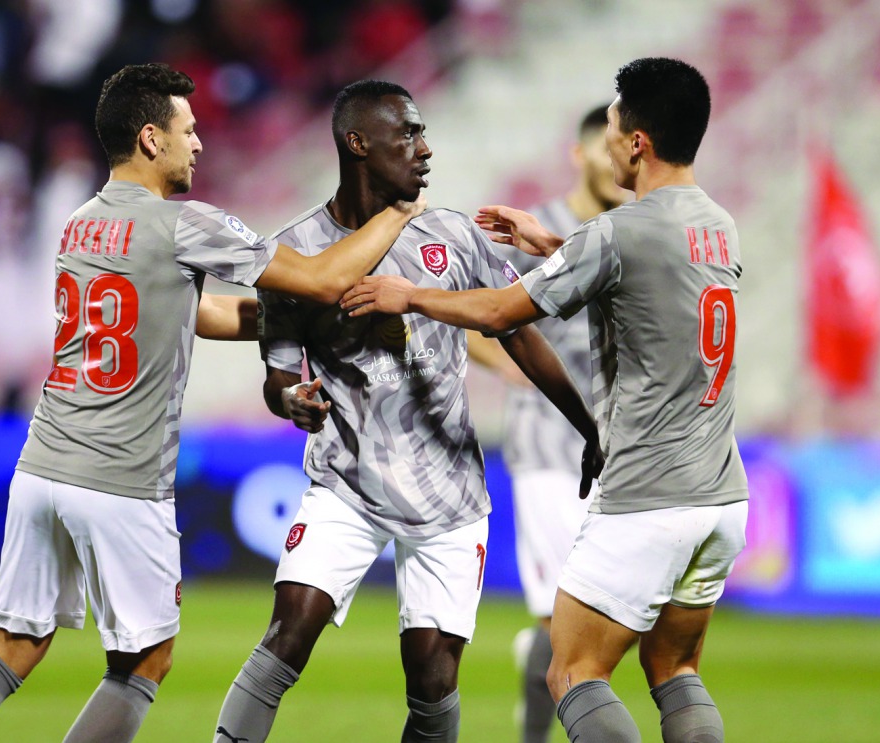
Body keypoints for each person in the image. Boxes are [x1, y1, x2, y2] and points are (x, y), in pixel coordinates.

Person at [0, 63, 425, 743]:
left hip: (42, 464)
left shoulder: (79, 225)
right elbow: (322, 276)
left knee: (10, 643)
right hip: (122, 478)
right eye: (189, 131)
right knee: (143, 661)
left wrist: (286, 322)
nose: (201, 145)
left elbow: (195, 310)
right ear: (152, 138)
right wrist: (397, 210)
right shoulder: (184, 224)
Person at [341, 57, 748, 743]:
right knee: (675, 667)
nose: (610, 140)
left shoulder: (621, 229)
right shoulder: (718, 226)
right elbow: (643, 272)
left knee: (573, 671)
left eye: (615, 127)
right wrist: (553, 244)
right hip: (721, 497)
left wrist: (407, 293)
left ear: (637, 142)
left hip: (646, 495)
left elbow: (502, 310)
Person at [212, 79, 597, 743]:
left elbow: (520, 334)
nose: (425, 148)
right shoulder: (296, 250)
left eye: (423, 132)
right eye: (408, 134)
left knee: (432, 679)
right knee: (289, 629)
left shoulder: (453, 234)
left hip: (447, 488)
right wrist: (291, 400)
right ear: (358, 143)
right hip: (347, 480)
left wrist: (590, 427)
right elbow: (278, 373)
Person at [494, 104, 627, 743]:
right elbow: (478, 313)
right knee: (563, 616)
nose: (612, 159)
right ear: (580, 154)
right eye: (601, 148)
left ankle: (545, 684)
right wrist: (517, 367)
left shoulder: (631, 231)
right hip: (549, 447)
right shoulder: (538, 228)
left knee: (608, 621)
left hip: (621, 449)